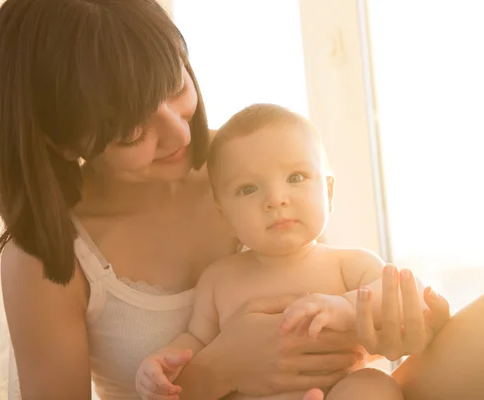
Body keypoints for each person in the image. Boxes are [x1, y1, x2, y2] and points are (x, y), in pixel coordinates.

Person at [0, 0, 484, 399]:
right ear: (62, 140)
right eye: (133, 130)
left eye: (176, 88)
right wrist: (218, 370)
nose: (180, 135)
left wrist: (394, 324)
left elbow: (331, 292)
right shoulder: (50, 257)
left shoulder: (243, 167)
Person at [135, 104, 413, 400]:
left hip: (338, 389)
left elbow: (402, 294)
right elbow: (197, 340)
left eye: (295, 178)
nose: (276, 199)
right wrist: (163, 363)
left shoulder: (348, 263)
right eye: (248, 189)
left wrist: (345, 308)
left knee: (372, 384)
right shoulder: (219, 279)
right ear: (224, 216)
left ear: (329, 192)